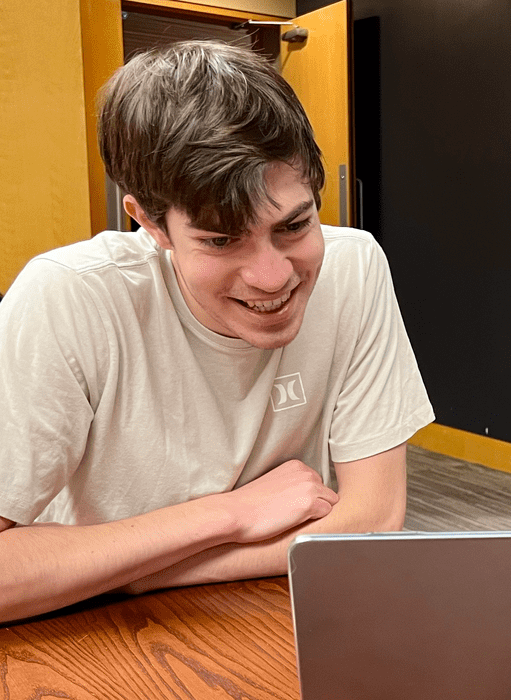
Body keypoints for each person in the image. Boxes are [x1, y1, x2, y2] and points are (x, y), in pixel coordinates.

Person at [0, 40, 434, 623]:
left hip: (269, 622)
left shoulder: (354, 268)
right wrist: (228, 515)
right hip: (88, 641)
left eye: (294, 225)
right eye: (221, 239)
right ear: (151, 222)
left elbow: (372, 519)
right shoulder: (70, 296)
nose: (273, 276)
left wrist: (125, 571)